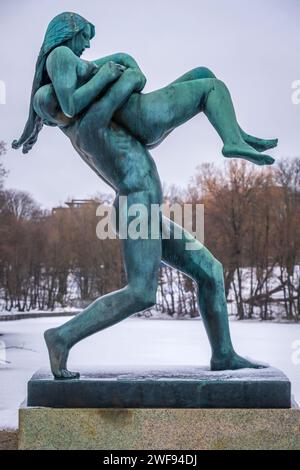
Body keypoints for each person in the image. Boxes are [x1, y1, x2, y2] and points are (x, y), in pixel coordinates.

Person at [13, 12, 275, 379]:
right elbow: (128, 81)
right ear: (57, 111)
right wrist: (119, 73)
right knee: (141, 292)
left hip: (145, 207)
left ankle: (224, 355)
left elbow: (141, 120)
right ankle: (61, 336)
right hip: (136, 208)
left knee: (211, 272)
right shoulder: (86, 126)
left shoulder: (95, 120)